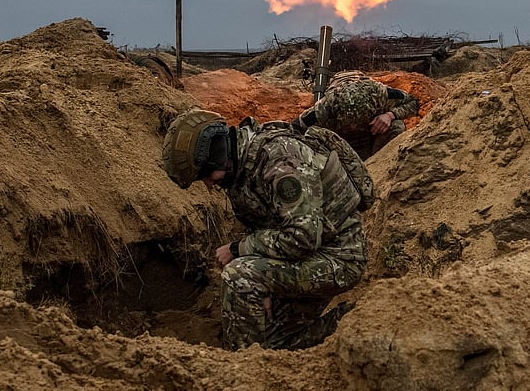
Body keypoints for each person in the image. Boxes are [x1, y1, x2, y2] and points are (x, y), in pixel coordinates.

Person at [161, 108, 367, 350]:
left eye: (205, 175)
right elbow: (267, 223)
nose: (207, 184)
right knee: (275, 342)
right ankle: (349, 321)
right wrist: (266, 283)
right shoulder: (243, 165)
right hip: (306, 257)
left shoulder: (280, 161)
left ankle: (243, 369)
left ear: (216, 156)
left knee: (239, 276)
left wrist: (240, 251)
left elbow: (302, 237)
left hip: (338, 259)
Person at [292, 70, 420, 160]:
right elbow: (294, 128)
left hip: (373, 136)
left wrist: (390, 115)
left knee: (396, 126)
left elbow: (413, 103)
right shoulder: (324, 108)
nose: (355, 126)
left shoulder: (380, 94)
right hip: (341, 144)